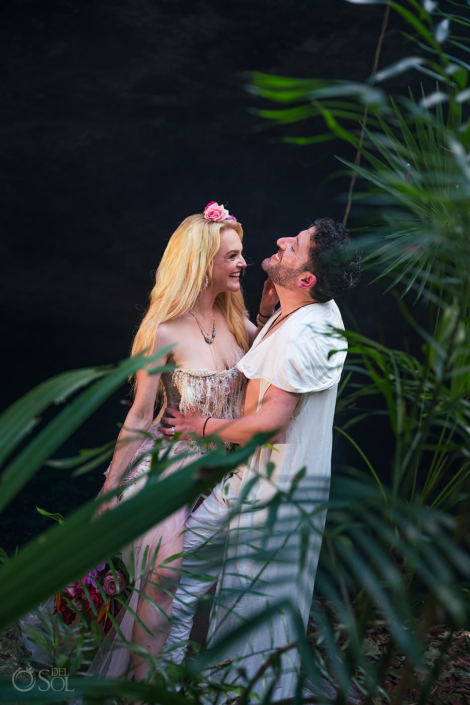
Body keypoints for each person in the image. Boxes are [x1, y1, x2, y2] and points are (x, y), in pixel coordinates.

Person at [161, 217, 361, 699]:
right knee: (185, 574)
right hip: (261, 483)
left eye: (295, 247)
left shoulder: (302, 336)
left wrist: (200, 426)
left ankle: (226, 691)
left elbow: (271, 422)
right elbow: (272, 367)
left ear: (306, 279)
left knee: (228, 594)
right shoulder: (312, 311)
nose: (281, 242)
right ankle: (167, 680)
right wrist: (269, 313)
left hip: (269, 492)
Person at [90, 202, 277, 681]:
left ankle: (179, 679)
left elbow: (271, 366)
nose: (242, 264)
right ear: (202, 264)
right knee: (164, 576)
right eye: (232, 257)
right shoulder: (165, 331)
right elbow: (139, 415)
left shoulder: (243, 329)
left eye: (242, 254)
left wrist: (264, 311)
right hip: (169, 468)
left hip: (226, 472)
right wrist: (110, 490)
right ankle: (140, 686)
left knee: (204, 586)